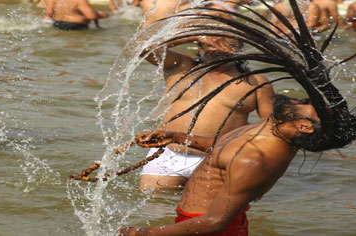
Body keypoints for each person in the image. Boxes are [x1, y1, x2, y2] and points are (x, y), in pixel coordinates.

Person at [118, 95, 316, 235]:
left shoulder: (256, 158)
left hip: (205, 227)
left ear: (303, 126)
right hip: (195, 222)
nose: (305, 99)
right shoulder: (270, 125)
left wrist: (145, 233)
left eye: (310, 104)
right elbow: (226, 146)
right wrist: (176, 137)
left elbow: (216, 222)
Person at [136, 36, 274, 190]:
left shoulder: (256, 82)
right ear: (200, 48)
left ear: (240, 50)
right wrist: (196, 35)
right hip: (168, 153)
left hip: (217, 158)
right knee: (154, 208)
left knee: (204, 211)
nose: (219, 49)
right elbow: (143, 47)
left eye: (228, 45)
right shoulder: (181, 67)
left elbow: (271, 126)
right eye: (212, 45)